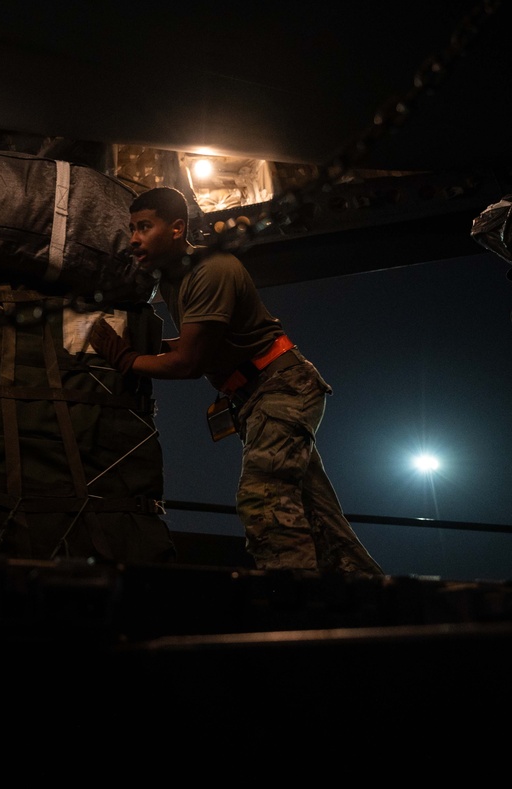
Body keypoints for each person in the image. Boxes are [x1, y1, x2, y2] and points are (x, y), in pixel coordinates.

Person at [88, 187, 383, 576]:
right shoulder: (176, 278)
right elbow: (199, 343)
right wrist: (148, 346)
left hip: (279, 388)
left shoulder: (209, 271)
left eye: (145, 226)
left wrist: (126, 359)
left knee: (264, 500)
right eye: (131, 228)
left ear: (177, 229)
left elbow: (189, 362)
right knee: (319, 517)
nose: (134, 239)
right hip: (260, 394)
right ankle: (379, 603)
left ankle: (293, 607)